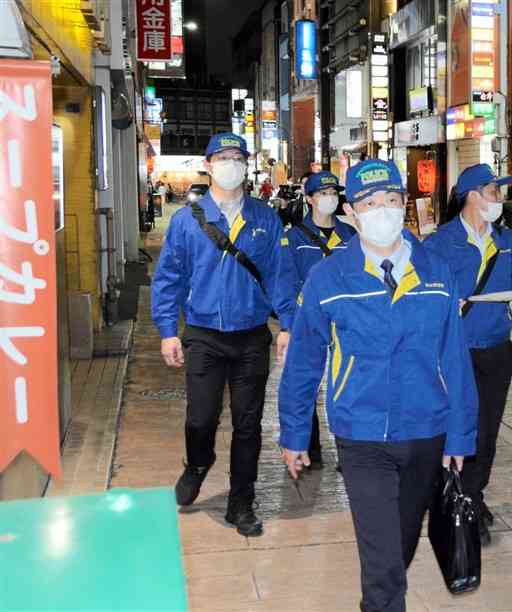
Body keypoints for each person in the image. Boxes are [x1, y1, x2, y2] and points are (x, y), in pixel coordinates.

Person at [279, 159, 477, 612]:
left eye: (390, 200)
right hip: (361, 434)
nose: (381, 210)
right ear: (351, 211)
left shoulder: (436, 271)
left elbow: (456, 358)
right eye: (370, 203)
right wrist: (293, 433)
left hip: (427, 430)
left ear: (404, 205)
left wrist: (460, 434)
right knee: (385, 564)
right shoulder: (329, 277)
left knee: (399, 547)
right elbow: (305, 361)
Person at [151, 132, 289, 537]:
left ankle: (241, 502)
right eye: (223, 157)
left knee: (248, 425)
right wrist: (166, 331)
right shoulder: (187, 221)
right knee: (201, 417)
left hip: (250, 337)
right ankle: (197, 462)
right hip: (203, 335)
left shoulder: (265, 218)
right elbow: (169, 279)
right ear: (208, 165)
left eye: (237, 157)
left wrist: (288, 324)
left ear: (246, 165)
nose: (231, 164)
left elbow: (280, 276)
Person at [424, 163, 512, 546]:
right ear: (473, 195)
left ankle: (474, 494)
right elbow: (423, 290)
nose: (499, 199)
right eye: (494, 191)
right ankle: (461, 498)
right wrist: (443, 303)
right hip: (457, 353)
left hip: (496, 350)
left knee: (487, 431)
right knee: (460, 428)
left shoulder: (507, 240)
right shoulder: (439, 244)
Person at [274, 170, 356, 468]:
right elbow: (284, 282)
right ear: (309, 199)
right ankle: (309, 447)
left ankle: (350, 447)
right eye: (322, 194)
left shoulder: (351, 235)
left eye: (333, 193)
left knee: (345, 381)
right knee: (304, 381)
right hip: (307, 323)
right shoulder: (293, 238)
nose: (329, 198)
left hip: (346, 323)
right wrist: (288, 325)